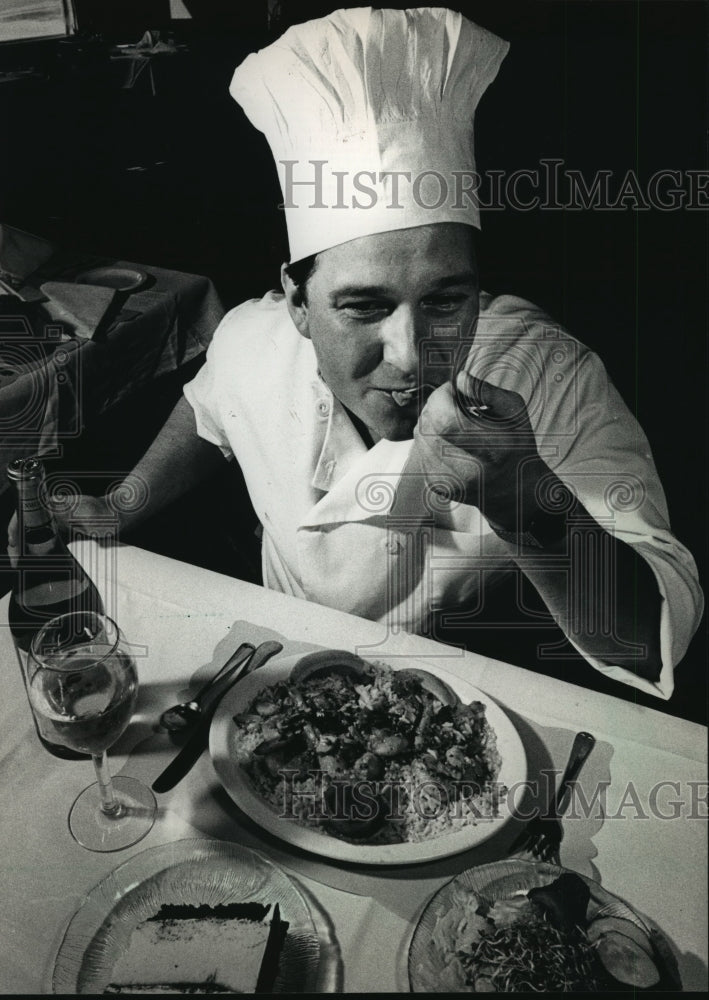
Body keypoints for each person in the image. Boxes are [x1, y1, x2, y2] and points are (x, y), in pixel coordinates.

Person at [11, 7, 702, 702]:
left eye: (445, 301)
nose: (410, 357)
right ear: (298, 302)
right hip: (272, 664)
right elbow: (208, 413)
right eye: (364, 307)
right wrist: (118, 506)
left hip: (452, 694)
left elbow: (646, 641)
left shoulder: (549, 376)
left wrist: (523, 501)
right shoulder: (250, 337)